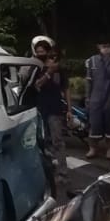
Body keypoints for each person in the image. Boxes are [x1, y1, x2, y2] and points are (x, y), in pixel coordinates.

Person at [31, 40, 69, 191]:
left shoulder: (59, 68)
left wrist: (70, 109)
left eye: (42, 51)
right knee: (43, 142)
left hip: (55, 109)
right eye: (38, 51)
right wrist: (48, 73)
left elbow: (66, 88)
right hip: (40, 109)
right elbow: (37, 85)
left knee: (58, 141)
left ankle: (63, 174)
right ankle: (47, 171)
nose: (40, 54)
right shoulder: (35, 68)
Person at [84, 41, 110, 159]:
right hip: (95, 97)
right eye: (104, 46)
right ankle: (93, 149)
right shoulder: (92, 60)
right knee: (94, 124)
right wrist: (87, 97)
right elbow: (89, 80)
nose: (106, 49)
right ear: (98, 47)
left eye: (108, 46)